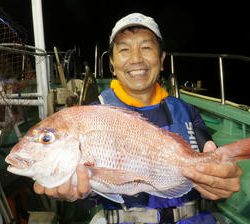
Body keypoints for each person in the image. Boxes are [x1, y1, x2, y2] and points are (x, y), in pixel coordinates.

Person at [34, 12, 242, 223]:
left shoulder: (186, 111)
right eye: (124, 49)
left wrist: (219, 178)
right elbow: (92, 190)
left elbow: (209, 155)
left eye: (146, 47)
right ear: (112, 65)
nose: (136, 59)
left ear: (161, 60)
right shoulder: (94, 115)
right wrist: (78, 192)